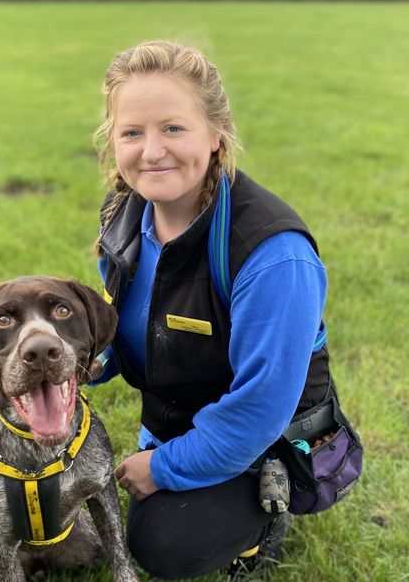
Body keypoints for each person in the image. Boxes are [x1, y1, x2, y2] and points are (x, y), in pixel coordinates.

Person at [90, 40, 335, 579]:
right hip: (178, 418)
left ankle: (271, 511)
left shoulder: (273, 255)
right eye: (132, 132)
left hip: (262, 440)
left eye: (173, 128)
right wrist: (79, 361)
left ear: (216, 133)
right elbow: (124, 328)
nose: (151, 150)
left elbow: (259, 410)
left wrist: (161, 467)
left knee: (166, 545)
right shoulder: (125, 211)